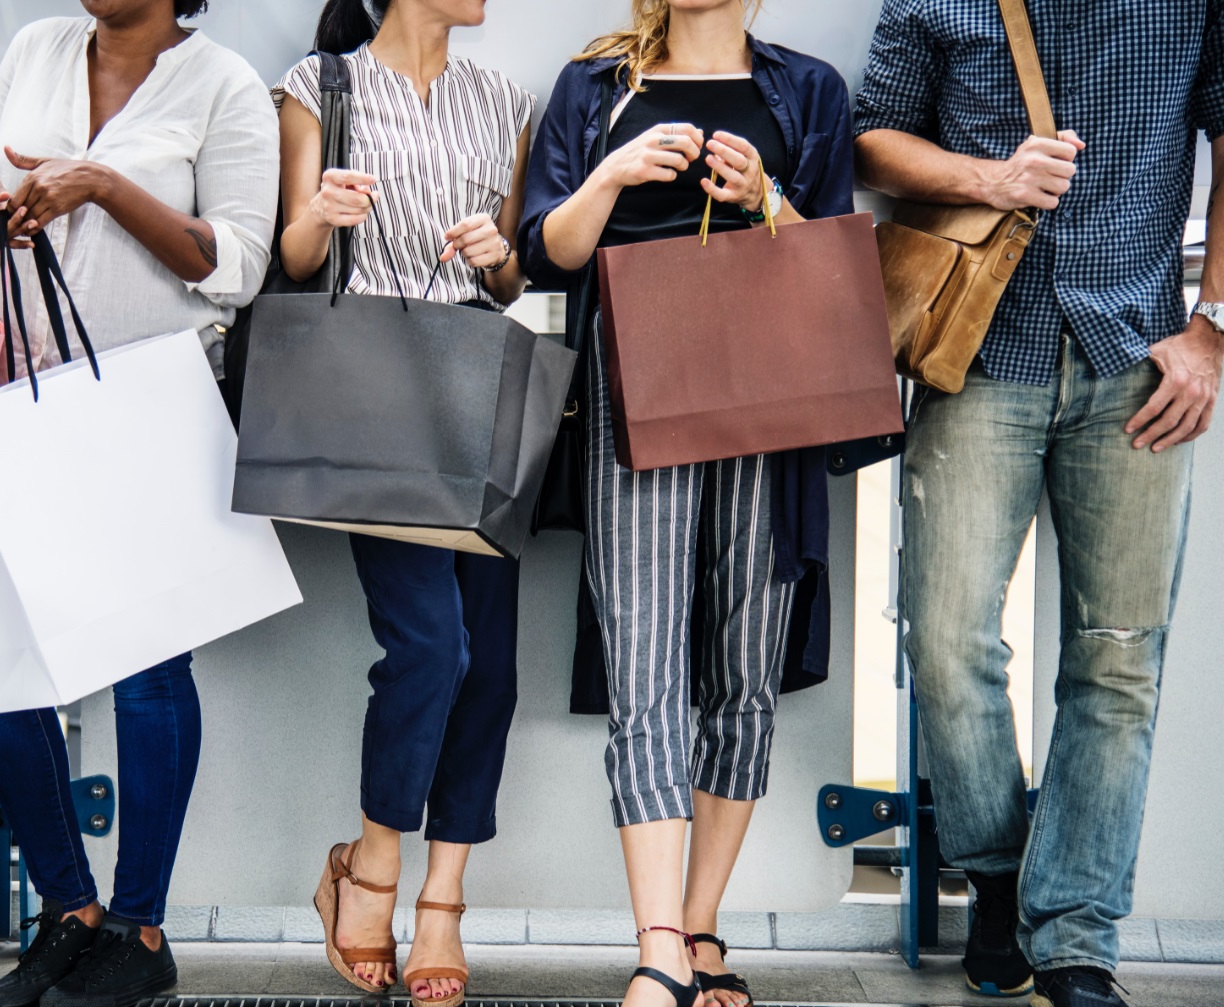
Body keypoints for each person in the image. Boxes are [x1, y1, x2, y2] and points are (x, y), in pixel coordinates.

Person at [854, 1, 1224, 1004]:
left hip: (1136, 358)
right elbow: (870, 138)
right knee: (942, 637)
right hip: (971, 351)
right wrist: (989, 177)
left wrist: (1212, 326)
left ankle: (1072, 938)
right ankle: (997, 874)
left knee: (1116, 655)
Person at [0, 1, 278, 1005]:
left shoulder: (223, 86)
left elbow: (238, 266)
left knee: (144, 674)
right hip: (16, 398)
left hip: (149, 408)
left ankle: (139, 928)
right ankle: (67, 909)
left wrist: (100, 185)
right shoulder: (36, 47)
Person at [518, 1, 853, 1005]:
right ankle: (656, 943)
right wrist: (611, 174)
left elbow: (835, 263)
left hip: (770, 395)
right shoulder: (594, 86)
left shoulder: (807, 91)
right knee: (644, 656)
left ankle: (700, 928)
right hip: (635, 389)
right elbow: (544, 251)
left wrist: (766, 195)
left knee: (743, 665)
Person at [274, 1, 533, 1003]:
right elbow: (295, 261)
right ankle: (370, 862)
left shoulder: (502, 100)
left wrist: (493, 255)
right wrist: (321, 217)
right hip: (371, 391)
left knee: (492, 663)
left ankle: (443, 900)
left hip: (476, 385)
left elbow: (511, 278)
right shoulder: (317, 87)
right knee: (432, 647)